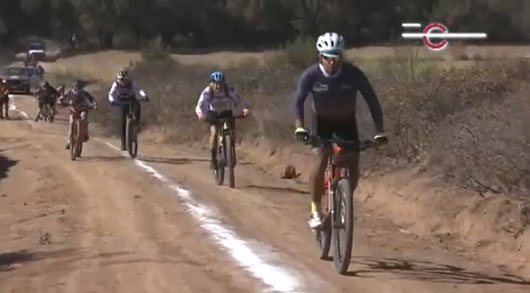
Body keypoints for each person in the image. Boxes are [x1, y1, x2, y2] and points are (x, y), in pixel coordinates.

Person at [292, 32, 389, 229]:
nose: (333, 62)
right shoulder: (311, 75)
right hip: (322, 123)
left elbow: (372, 100)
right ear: (320, 57)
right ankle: (315, 208)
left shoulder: (353, 74)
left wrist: (380, 131)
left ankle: (343, 198)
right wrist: (299, 126)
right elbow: (298, 101)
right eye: (328, 58)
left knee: (353, 163)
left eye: (337, 57)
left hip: (346, 122)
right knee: (321, 158)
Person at [195, 71, 250, 170]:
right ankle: (213, 158)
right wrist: (200, 114)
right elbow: (199, 105)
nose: (218, 86)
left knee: (231, 128)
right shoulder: (207, 92)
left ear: (224, 83)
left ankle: (230, 147)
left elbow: (239, 100)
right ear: (211, 83)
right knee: (215, 132)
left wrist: (244, 108)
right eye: (215, 83)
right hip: (213, 113)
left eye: (220, 83)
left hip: (226, 112)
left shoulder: (228, 90)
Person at [107, 68, 149, 150]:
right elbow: (111, 93)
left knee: (137, 107)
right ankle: (123, 143)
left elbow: (139, 89)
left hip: (131, 100)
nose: (123, 81)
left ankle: (136, 123)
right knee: (123, 122)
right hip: (121, 101)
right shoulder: (115, 84)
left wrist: (144, 96)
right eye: (121, 80)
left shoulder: (132, 83)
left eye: (124, 79)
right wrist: (112, 101)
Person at [59, 80, 98, 149]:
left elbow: (92, 99)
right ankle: (69, 141)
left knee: (84, 117)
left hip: (83, 109)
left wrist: (94, 105)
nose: (78, 89)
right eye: (76, 87)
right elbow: (64, 98)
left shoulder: (85, 93)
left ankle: (85, 133)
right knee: (71, 123)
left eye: (79, 87)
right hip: (74, 110)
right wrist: (61, 100)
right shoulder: (71, 93)